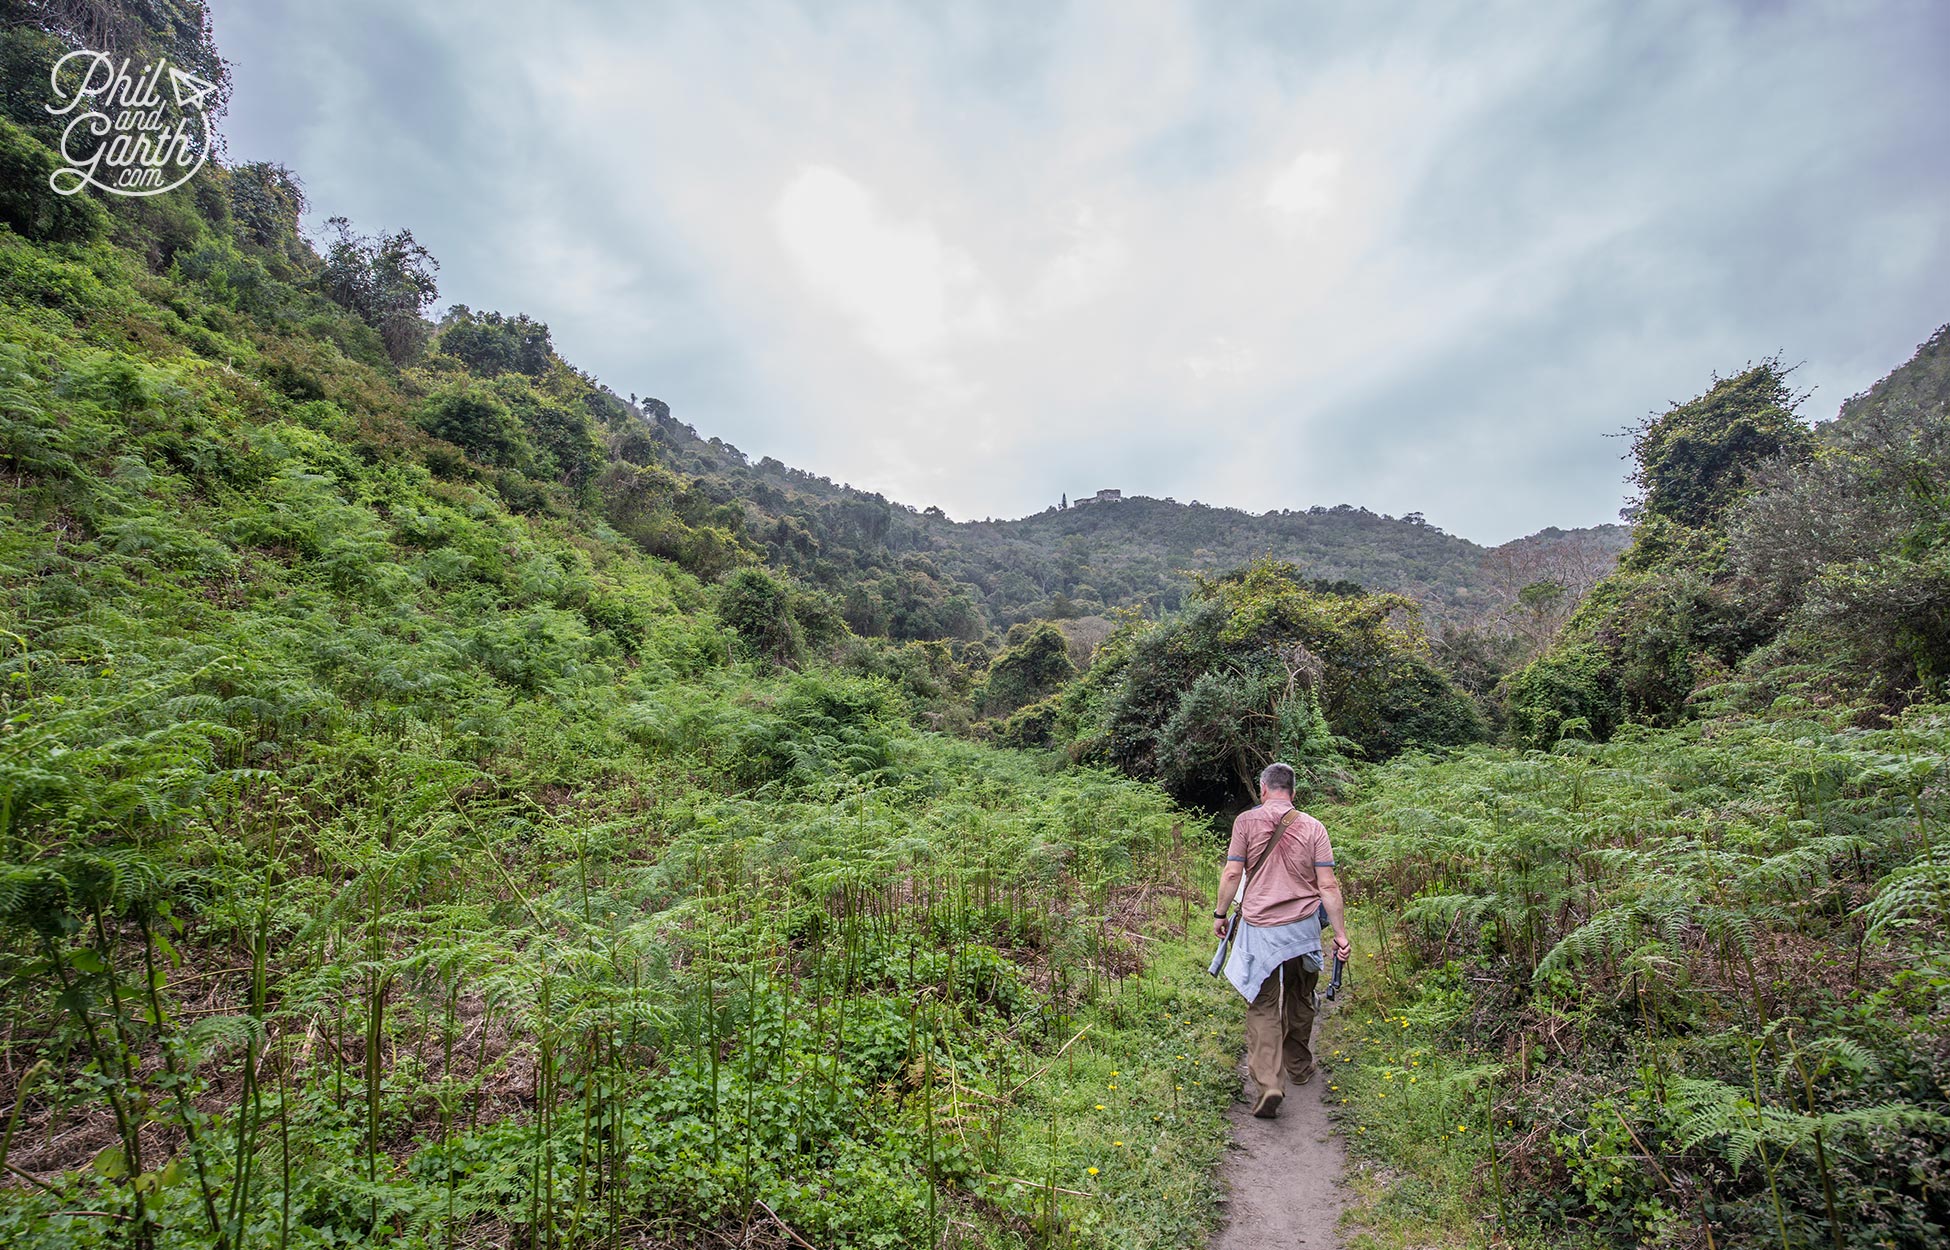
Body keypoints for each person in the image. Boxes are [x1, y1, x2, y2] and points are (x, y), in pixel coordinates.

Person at [1211, 761, 1350, 1118]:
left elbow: (1232, 872)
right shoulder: (1314, 827)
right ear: (1293, 791)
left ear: (1262, 789)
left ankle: (1270, 1082)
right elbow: (1328, 885)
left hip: (1261, 931)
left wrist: (1220, 914)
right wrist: (1340, 935)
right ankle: (1300, 1067)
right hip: (1303, 930)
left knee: (1263, 1004)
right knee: (1301, 996)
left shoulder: (1245, 822)